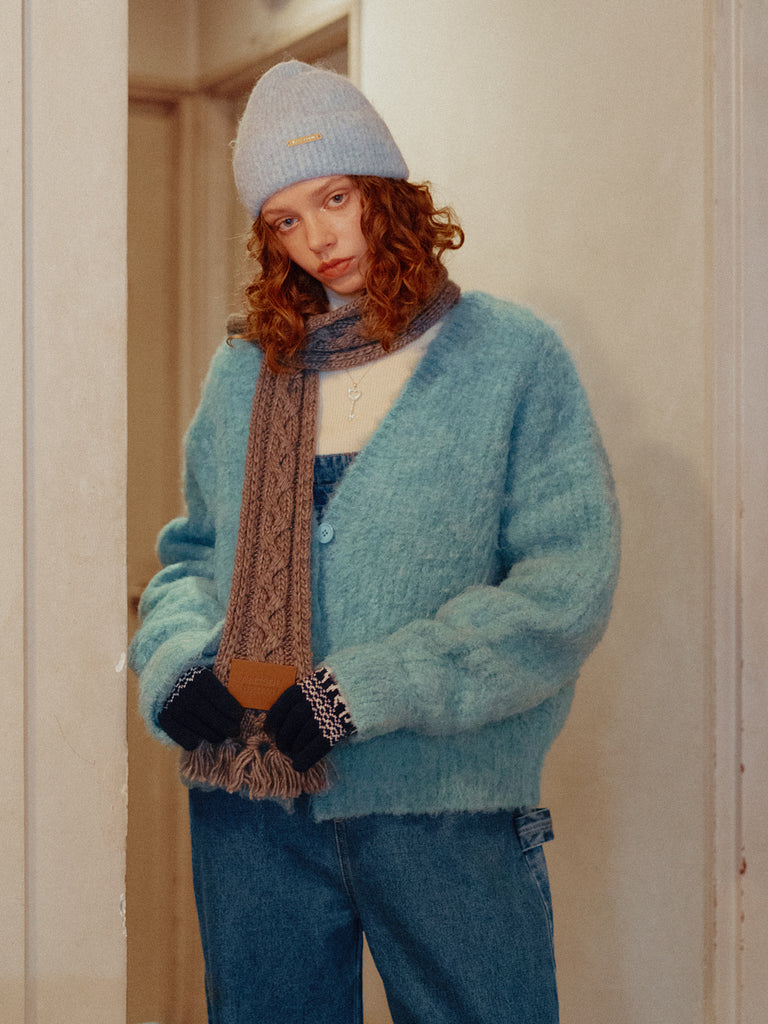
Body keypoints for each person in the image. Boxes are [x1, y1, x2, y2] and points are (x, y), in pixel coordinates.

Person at [129, 60, 620, 1024]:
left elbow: (564, 589)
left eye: (335, 198)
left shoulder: (510, 359)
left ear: (384, 192)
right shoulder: (246, 372)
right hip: (253, 808)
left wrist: (365, 691)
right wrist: (177, 665)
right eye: (285, 220)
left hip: (444, 807)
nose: (318, 239)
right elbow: (191, 559)